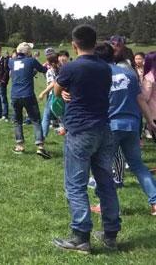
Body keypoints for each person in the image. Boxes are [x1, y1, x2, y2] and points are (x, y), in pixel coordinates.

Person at [53, 25, 121, 254]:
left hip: (81, 130)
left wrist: (62, 91)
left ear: (74, 44)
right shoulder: (106, 68)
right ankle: (110, 233)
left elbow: (56, 90)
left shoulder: (71, 67)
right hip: (104, 128)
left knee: (75, 184)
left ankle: (81, 236)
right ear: (95, 42)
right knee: (105, 182)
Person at [89, 43, 156, 219]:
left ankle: (107, 206)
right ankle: (155, 202)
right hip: (133, 125)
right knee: (138, 165)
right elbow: (140, 99)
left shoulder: (100, 75)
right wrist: (150, 121)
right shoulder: (129, 73)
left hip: (111, 126)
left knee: (103, 167)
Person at [8, 42, 50, 158]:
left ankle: (19, 145)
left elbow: (23, 73)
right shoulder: (31, 61)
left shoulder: (11, 62)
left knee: (17, 121)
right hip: (28, 94)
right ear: (27, 52)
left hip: (15, 95)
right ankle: (40, 146)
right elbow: (43, 70)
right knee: (36, 120)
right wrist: (46, 65)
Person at [38, 53, 61, 139]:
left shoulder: (50, 71)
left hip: (53, 95)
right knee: (61, 114)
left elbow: (53, 83)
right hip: (61, 94)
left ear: (51, 63)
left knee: (46, 116)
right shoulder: (61, 69)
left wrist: (43, 93)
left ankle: (42, 136)